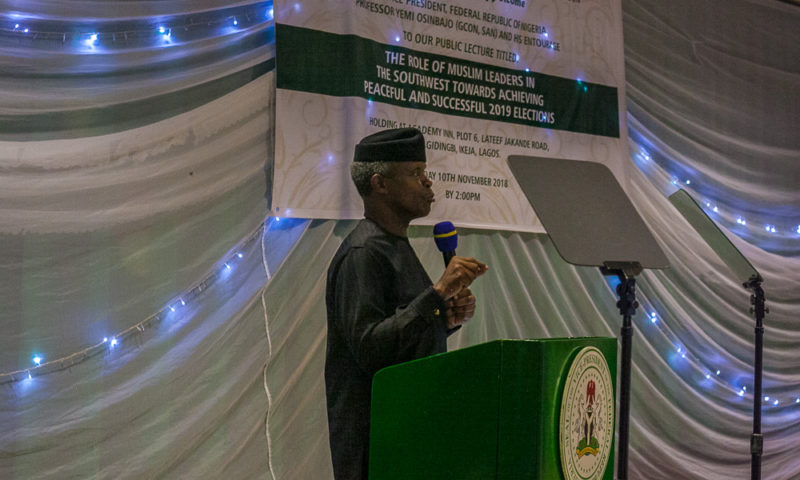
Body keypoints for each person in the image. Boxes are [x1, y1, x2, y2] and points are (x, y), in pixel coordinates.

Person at [324, 127, 488, 480]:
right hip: (376, 443)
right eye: (415, 173)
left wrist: (445, 319)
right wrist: (436, 294)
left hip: (409, 429)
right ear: (380, 184)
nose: (428, 184)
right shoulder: (363, 252)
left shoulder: (395, 244)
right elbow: (369, 347)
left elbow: (400, 334)